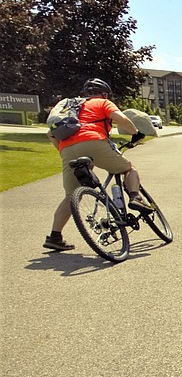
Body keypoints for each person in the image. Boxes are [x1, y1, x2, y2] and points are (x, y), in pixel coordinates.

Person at [44, 78, 150, 252]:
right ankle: (135, 198)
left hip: (66, 149)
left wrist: (65, 151)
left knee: (71, 196)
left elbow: (51, 133)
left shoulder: (70, 108)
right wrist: (136, 133)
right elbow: (120, 118)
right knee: (129, 169)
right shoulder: (102, 102)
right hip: (93, 141)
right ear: (105, 93)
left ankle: (54, 236)